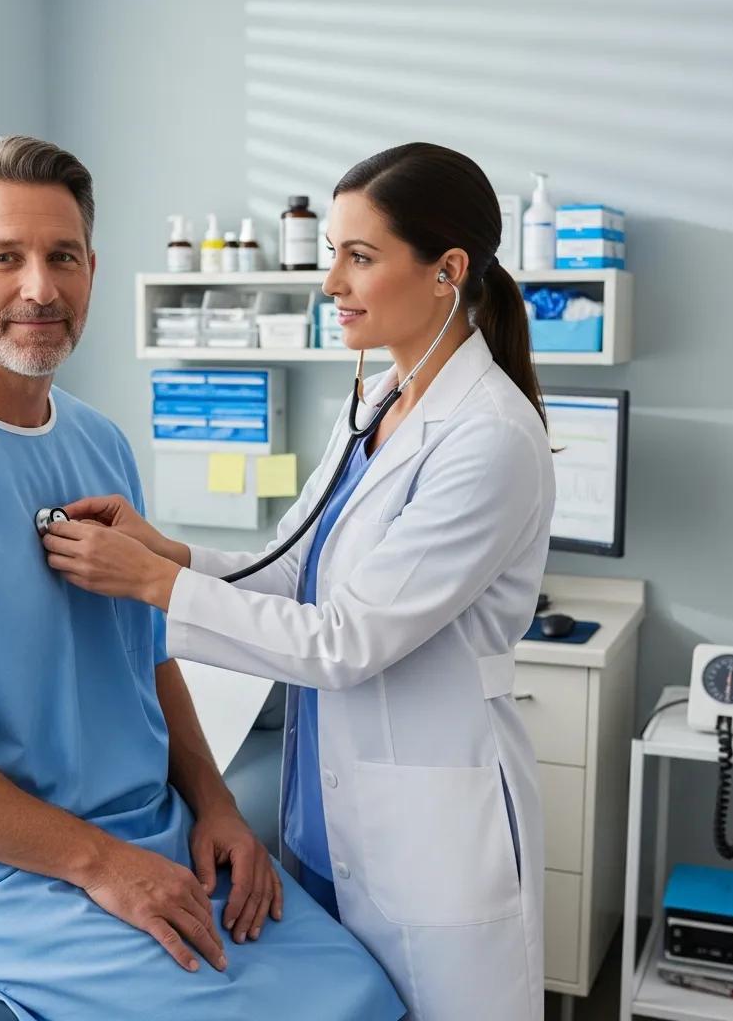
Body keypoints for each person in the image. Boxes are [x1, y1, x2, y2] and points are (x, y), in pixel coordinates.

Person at [0, 135, 405, 1021]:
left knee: (361, 994)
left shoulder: (98, 443)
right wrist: (101, 866)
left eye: (63, 256)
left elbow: (145, 658)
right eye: (4, 257)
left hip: (135, 822)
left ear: (92, 270)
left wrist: (217, 805)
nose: (40, 287)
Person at [42, 142, 555, 1021]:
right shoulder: (379, 407)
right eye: (333, 256)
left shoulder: (491, 439)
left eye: (361, 257)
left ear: (448, 271)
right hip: (328, 807)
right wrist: (166, 554)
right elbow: (290, 566)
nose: (332, 285)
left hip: (428, 830)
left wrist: (153, 590)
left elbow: (348, 640)